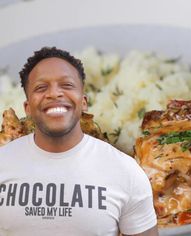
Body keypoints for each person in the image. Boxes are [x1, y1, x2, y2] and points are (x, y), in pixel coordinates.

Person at [0, 47, 158, 236]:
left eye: (66, 85)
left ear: (84, 102)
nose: (54, 94)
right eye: (41, 88)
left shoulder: (127, 171)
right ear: (27, 107)